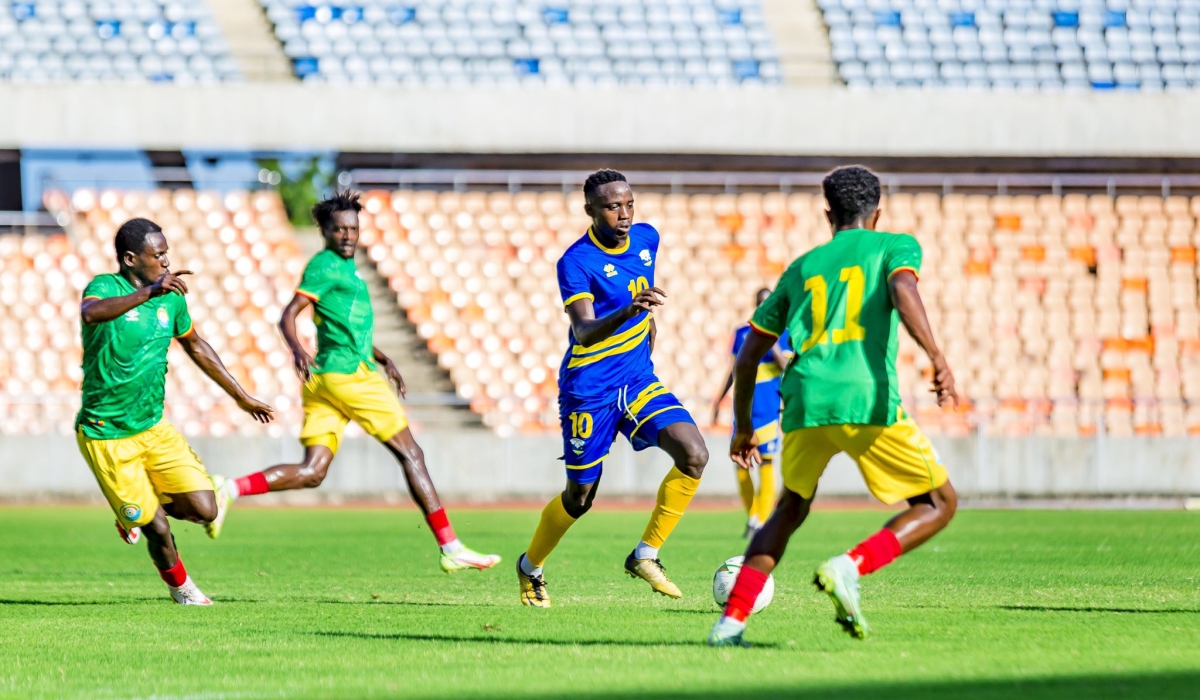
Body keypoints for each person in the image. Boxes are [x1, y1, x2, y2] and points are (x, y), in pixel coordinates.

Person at [707, 166, 959, 646]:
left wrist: (741, 427)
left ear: (828, 213)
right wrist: (937, 356)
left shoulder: (801, 267)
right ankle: (850, 566)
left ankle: (730, 623)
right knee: (939, 502)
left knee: (789, 508)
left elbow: (748, 356)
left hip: (803, 402)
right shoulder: (894, 246)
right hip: (865, 398)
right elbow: (904, 291)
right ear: (877, 212)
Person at [221, 191, 500, 573]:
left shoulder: (345, 269)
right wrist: (296, 348)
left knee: (313, 472)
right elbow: (288, 315)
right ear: (324, 231)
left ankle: (228, 490)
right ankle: (451, 547)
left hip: (326, 381)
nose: (348, 235)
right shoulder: (325, 266)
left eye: (353, 228)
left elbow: (348, 327)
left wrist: (383, 357)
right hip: (348, 376)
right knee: (411, 453)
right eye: (339, 229)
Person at [515, 169, 709, 608]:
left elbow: (642, 300)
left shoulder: (647, 239)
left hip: (638, 379)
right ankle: (530, 566)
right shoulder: (575, 261)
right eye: (611, 206)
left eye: (628, 204)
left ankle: (645, 554)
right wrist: (631, 310)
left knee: (695, 454)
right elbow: (583, 330)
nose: (623, 214)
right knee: (580, 498)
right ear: (590, 210)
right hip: (590, 388)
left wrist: (648, 325)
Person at [77, 217, 274, 605]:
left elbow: (197, 346)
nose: (166, 262)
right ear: (131, 259)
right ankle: (183, 590)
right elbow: (91, 313)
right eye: (158, 255)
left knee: (206, 509)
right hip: (105, 434)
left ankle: (135, 507)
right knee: (158, 529)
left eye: (167, 253)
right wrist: (149, 292)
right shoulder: (105, 286)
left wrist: (241, 396)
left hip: (152, 428)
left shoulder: (172, 297)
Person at [712, 288, 792, 538]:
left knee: (767, 462)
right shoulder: (741, 333)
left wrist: (774, 342)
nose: (763, 307)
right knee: (741, 462)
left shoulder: (786, 333)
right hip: (743, 405)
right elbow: (735, 369)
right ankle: (753, 517)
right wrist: (719, 398)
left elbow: (785, 366)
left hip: (768, 406)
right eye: (760, 303)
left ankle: (761, 519)